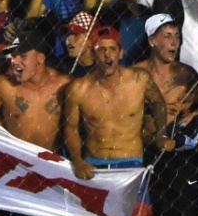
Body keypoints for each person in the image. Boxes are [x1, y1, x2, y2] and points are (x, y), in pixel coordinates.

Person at [61, 26, 164, 178]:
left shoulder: (139, 80)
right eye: (101, 50)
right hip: (94, 163)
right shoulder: (78, 89)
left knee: (137, 203)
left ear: (120, 53)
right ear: (93, 54)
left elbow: (158, 103)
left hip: (131, 161)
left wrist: (161, 134)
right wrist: (77, 161)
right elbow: (70, 127)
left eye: (112, 49)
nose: (107, 55)